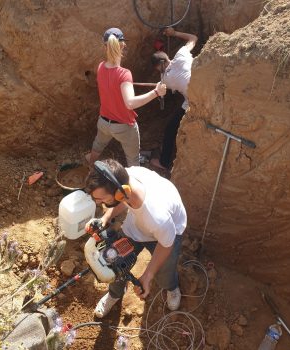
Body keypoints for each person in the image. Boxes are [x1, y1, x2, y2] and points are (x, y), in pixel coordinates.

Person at [84, 158, 187, 318]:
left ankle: (171, 287)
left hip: (168, 233)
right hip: (138, 225)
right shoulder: (125, 178)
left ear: (121, 193)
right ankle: (115, 294)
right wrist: (105, 218)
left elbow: (166, 245)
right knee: (113, 261)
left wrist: (147, 275)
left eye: (102, 199)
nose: (99, 203)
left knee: (164, 272)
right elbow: (122, 201)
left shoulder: (156, 216)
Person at [86, 27, 167, 167]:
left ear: (106, 46)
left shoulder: (100, 67)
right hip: (123, 127)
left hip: (104, 122)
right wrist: (156, 92)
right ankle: (133, 186)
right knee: (133, 161)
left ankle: (91, 161)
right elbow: (130, 103)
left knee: (98, 144)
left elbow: (110, 85)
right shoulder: (124, 74)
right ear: (122, 45)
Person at [150, 28, 198, 170]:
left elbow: (162, 92)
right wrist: (174, 33)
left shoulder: (165, 79)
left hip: (193, 104)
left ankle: (164, 163)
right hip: (206, 91)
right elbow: (193, 37)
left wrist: (160, 84)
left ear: (159, 66)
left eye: (158, 69)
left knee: (170, 129)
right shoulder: (181, 55)